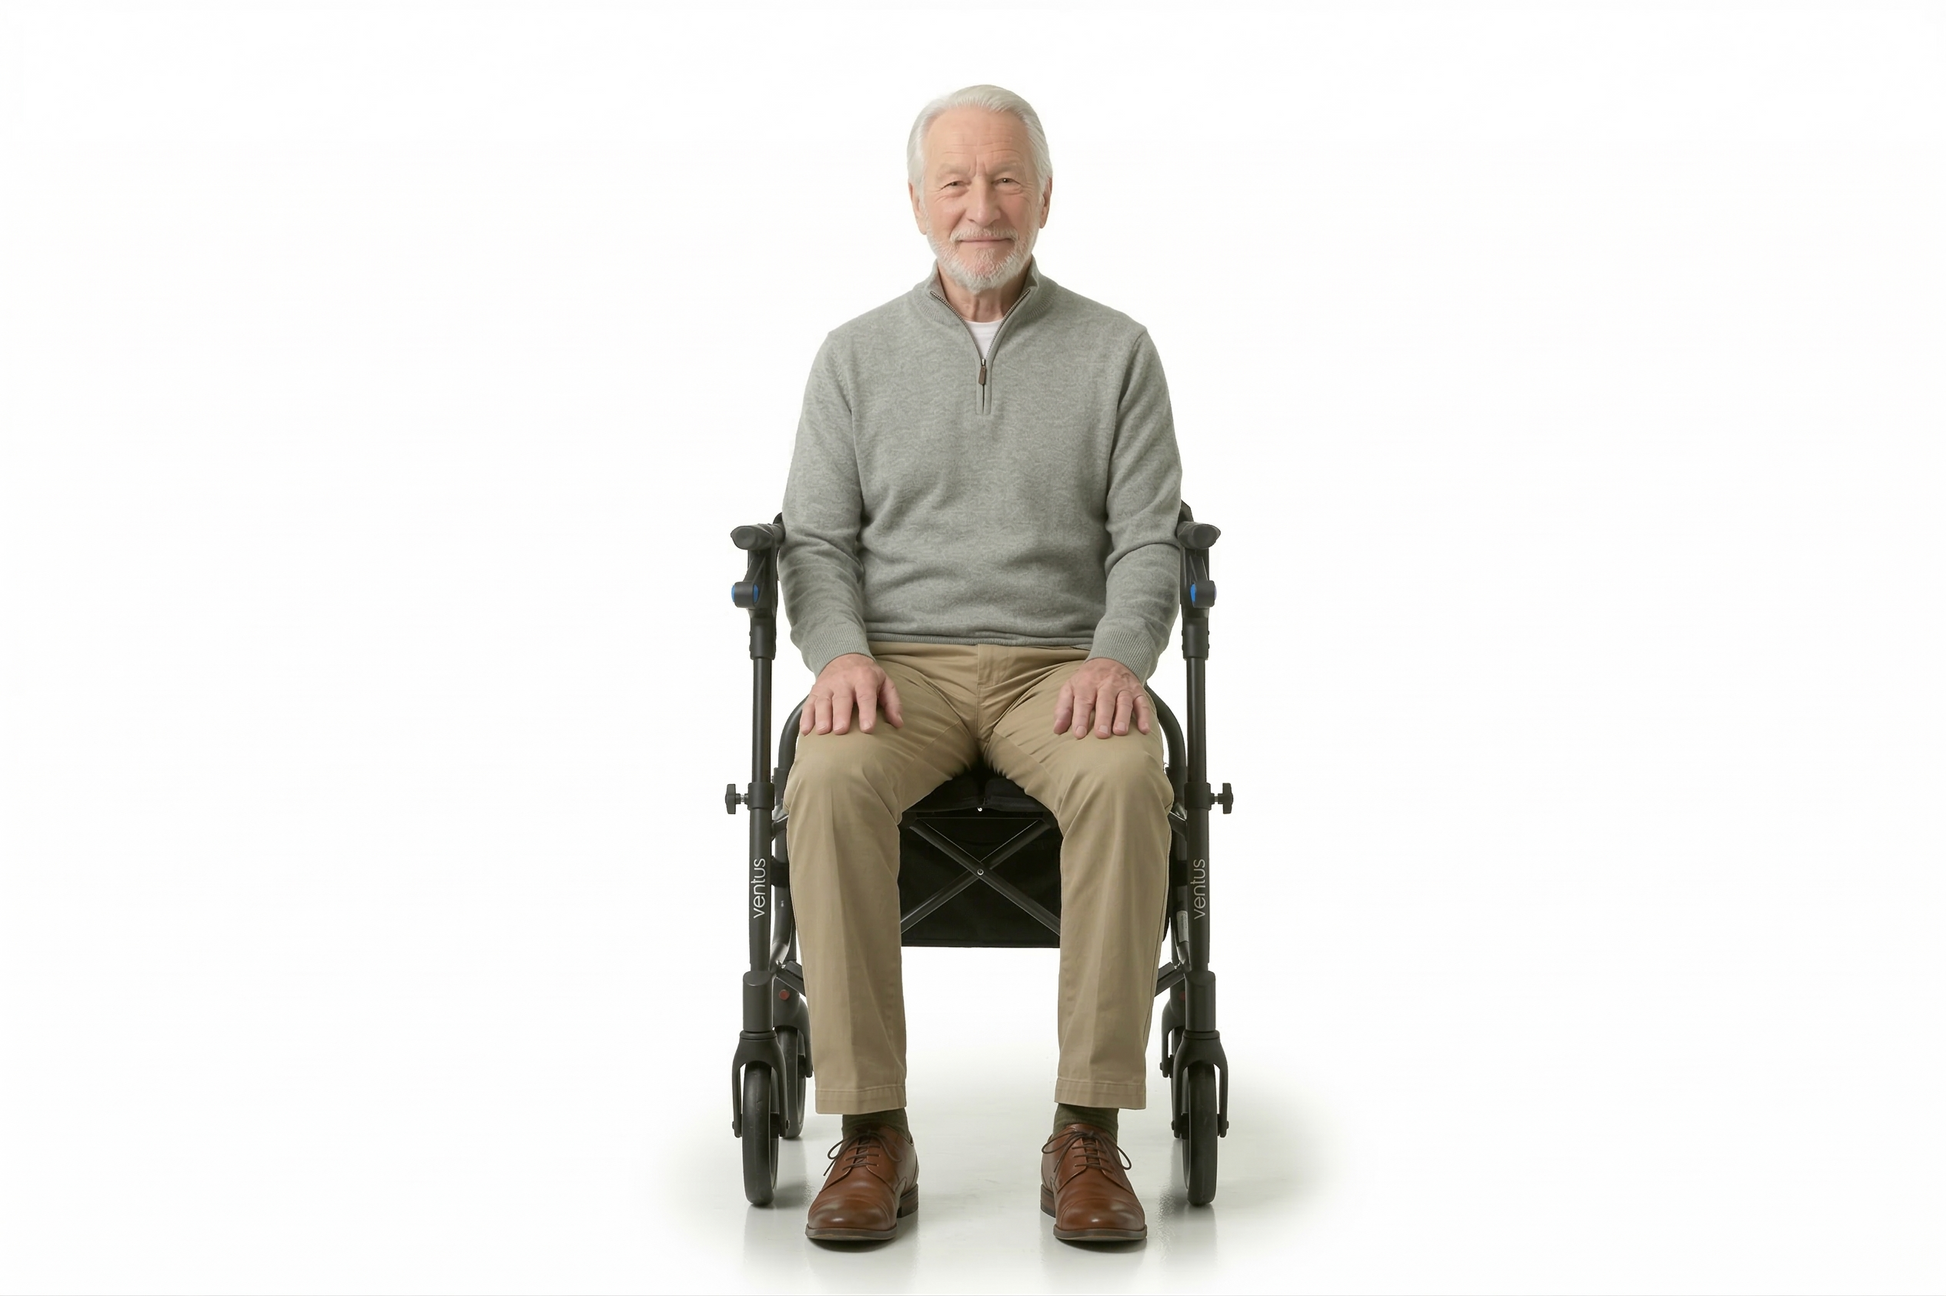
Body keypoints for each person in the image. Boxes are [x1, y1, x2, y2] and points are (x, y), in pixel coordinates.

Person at [779, 83, 1183, 1245]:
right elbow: (814, 541)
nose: (981, 206)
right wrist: (837, 651)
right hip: (898, 667)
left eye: (1005, 179)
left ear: (1045, 197)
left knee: (1120, 779)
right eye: (954, 182)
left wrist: (1118, 656)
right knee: (829, 776)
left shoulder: (1117, 352)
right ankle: (869, 1129)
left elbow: (1147, 535)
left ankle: (1086, 1130)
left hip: (1060, 668)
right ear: (916, 203)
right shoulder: (852, 358)